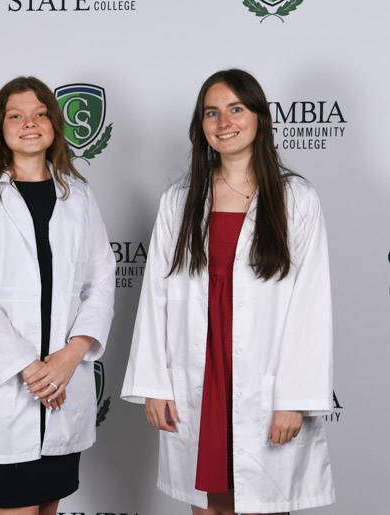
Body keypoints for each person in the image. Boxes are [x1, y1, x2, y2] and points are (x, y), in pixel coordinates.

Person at [121, 69, 335, 515]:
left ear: (259, 117)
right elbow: (156, 298)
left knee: (262, 501)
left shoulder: (297, 200)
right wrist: (155, 384)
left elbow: (309, 307)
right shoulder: (179, 200)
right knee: (209, 503)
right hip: (200, 371)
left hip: (263, 376)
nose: (224, 122)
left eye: (236, 109)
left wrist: (293, 400)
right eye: (211, 113)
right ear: (201, 126)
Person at [0, 76, 115, 515]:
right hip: (8, 387)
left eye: (40, 114)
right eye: (15, 116)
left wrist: (69, 357)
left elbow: (101, 278)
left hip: (63, 384)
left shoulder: (78, 195)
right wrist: (31, 367)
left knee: (47, 508)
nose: (29, 123)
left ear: (55, 125)